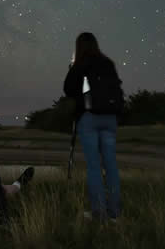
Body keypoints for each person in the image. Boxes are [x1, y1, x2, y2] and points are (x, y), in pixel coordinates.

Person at [63, 32, 124, 221]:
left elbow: (68, 89)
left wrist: (72, 67)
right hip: (110, 118)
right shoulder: (108, 63)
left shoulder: (81, 64)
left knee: (94, 167)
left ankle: (99, 213)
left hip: (89, 118)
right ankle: (114, 213)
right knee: (111, 165)